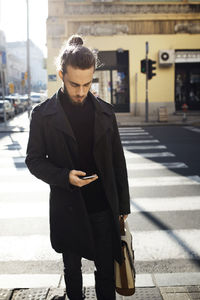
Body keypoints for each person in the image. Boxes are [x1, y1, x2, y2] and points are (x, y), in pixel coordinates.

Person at [25, 35, 130, 300]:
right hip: (67, 206)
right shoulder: (42, 115)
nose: (81, 91)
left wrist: (123, 207)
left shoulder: (106, 113)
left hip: (103, 207)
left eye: (87, 83)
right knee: (72, 272)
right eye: (74, 84)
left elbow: (118, 161)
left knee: (106, 272)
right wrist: (64, 177)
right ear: (61, 74)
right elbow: (34, 159)